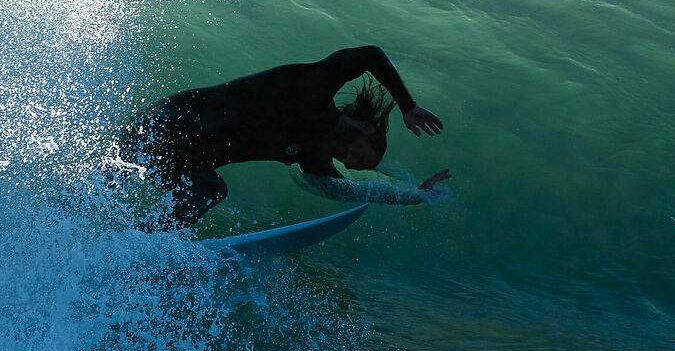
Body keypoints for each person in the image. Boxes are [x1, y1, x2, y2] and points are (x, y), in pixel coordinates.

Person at [118, 45, 450, 226]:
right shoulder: (314, 92)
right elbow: (370, 55)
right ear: (367, 127)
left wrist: (409, 196)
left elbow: (342, 187)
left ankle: (141, 244)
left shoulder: (309, 153)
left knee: (209, 189)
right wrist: (408, 105)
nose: (346, 160)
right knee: (202, 187)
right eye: (358, 155)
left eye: (349, 162)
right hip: (165, 125)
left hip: (178, 160)